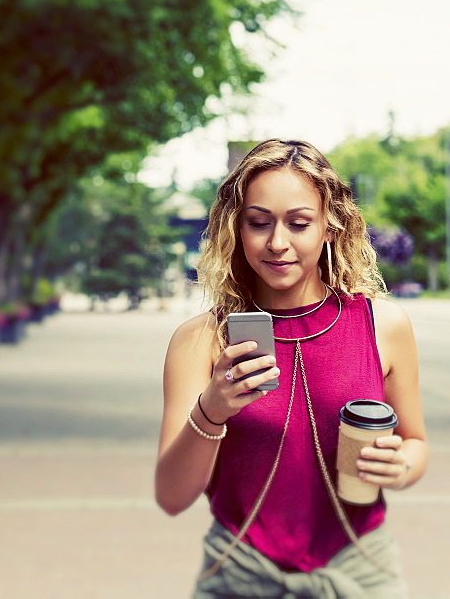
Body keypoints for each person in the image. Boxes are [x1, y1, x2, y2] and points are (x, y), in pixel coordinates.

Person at [155, 138, 428, 597]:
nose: (278, 243)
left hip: (359, 569)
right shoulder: (199, 340)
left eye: (299, 224)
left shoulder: (384, 325)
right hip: (239, 571)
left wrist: (401, 466)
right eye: (258, 223)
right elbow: (172, 495)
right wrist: (212, 409)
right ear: (236, 230)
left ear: (330, 226)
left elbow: (415, 443)